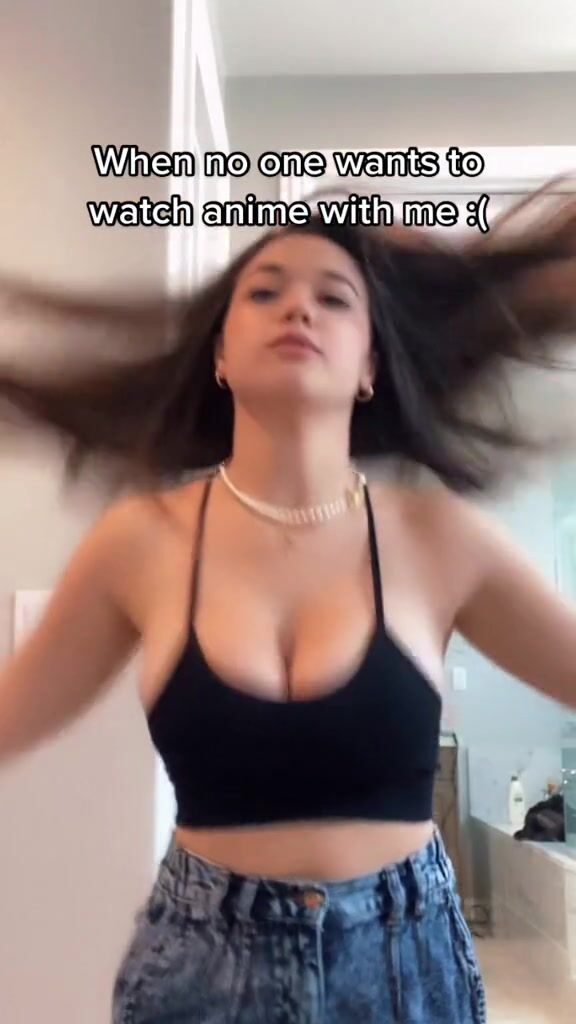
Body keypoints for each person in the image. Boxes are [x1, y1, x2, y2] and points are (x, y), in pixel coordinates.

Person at [1, 182, 576, 1023]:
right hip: (199, 972)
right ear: (220, 355)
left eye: (334, 298)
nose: (298, 308)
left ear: (371, 366)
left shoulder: (437, 539)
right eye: (265, 292)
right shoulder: (142, 542)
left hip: (405, 970)